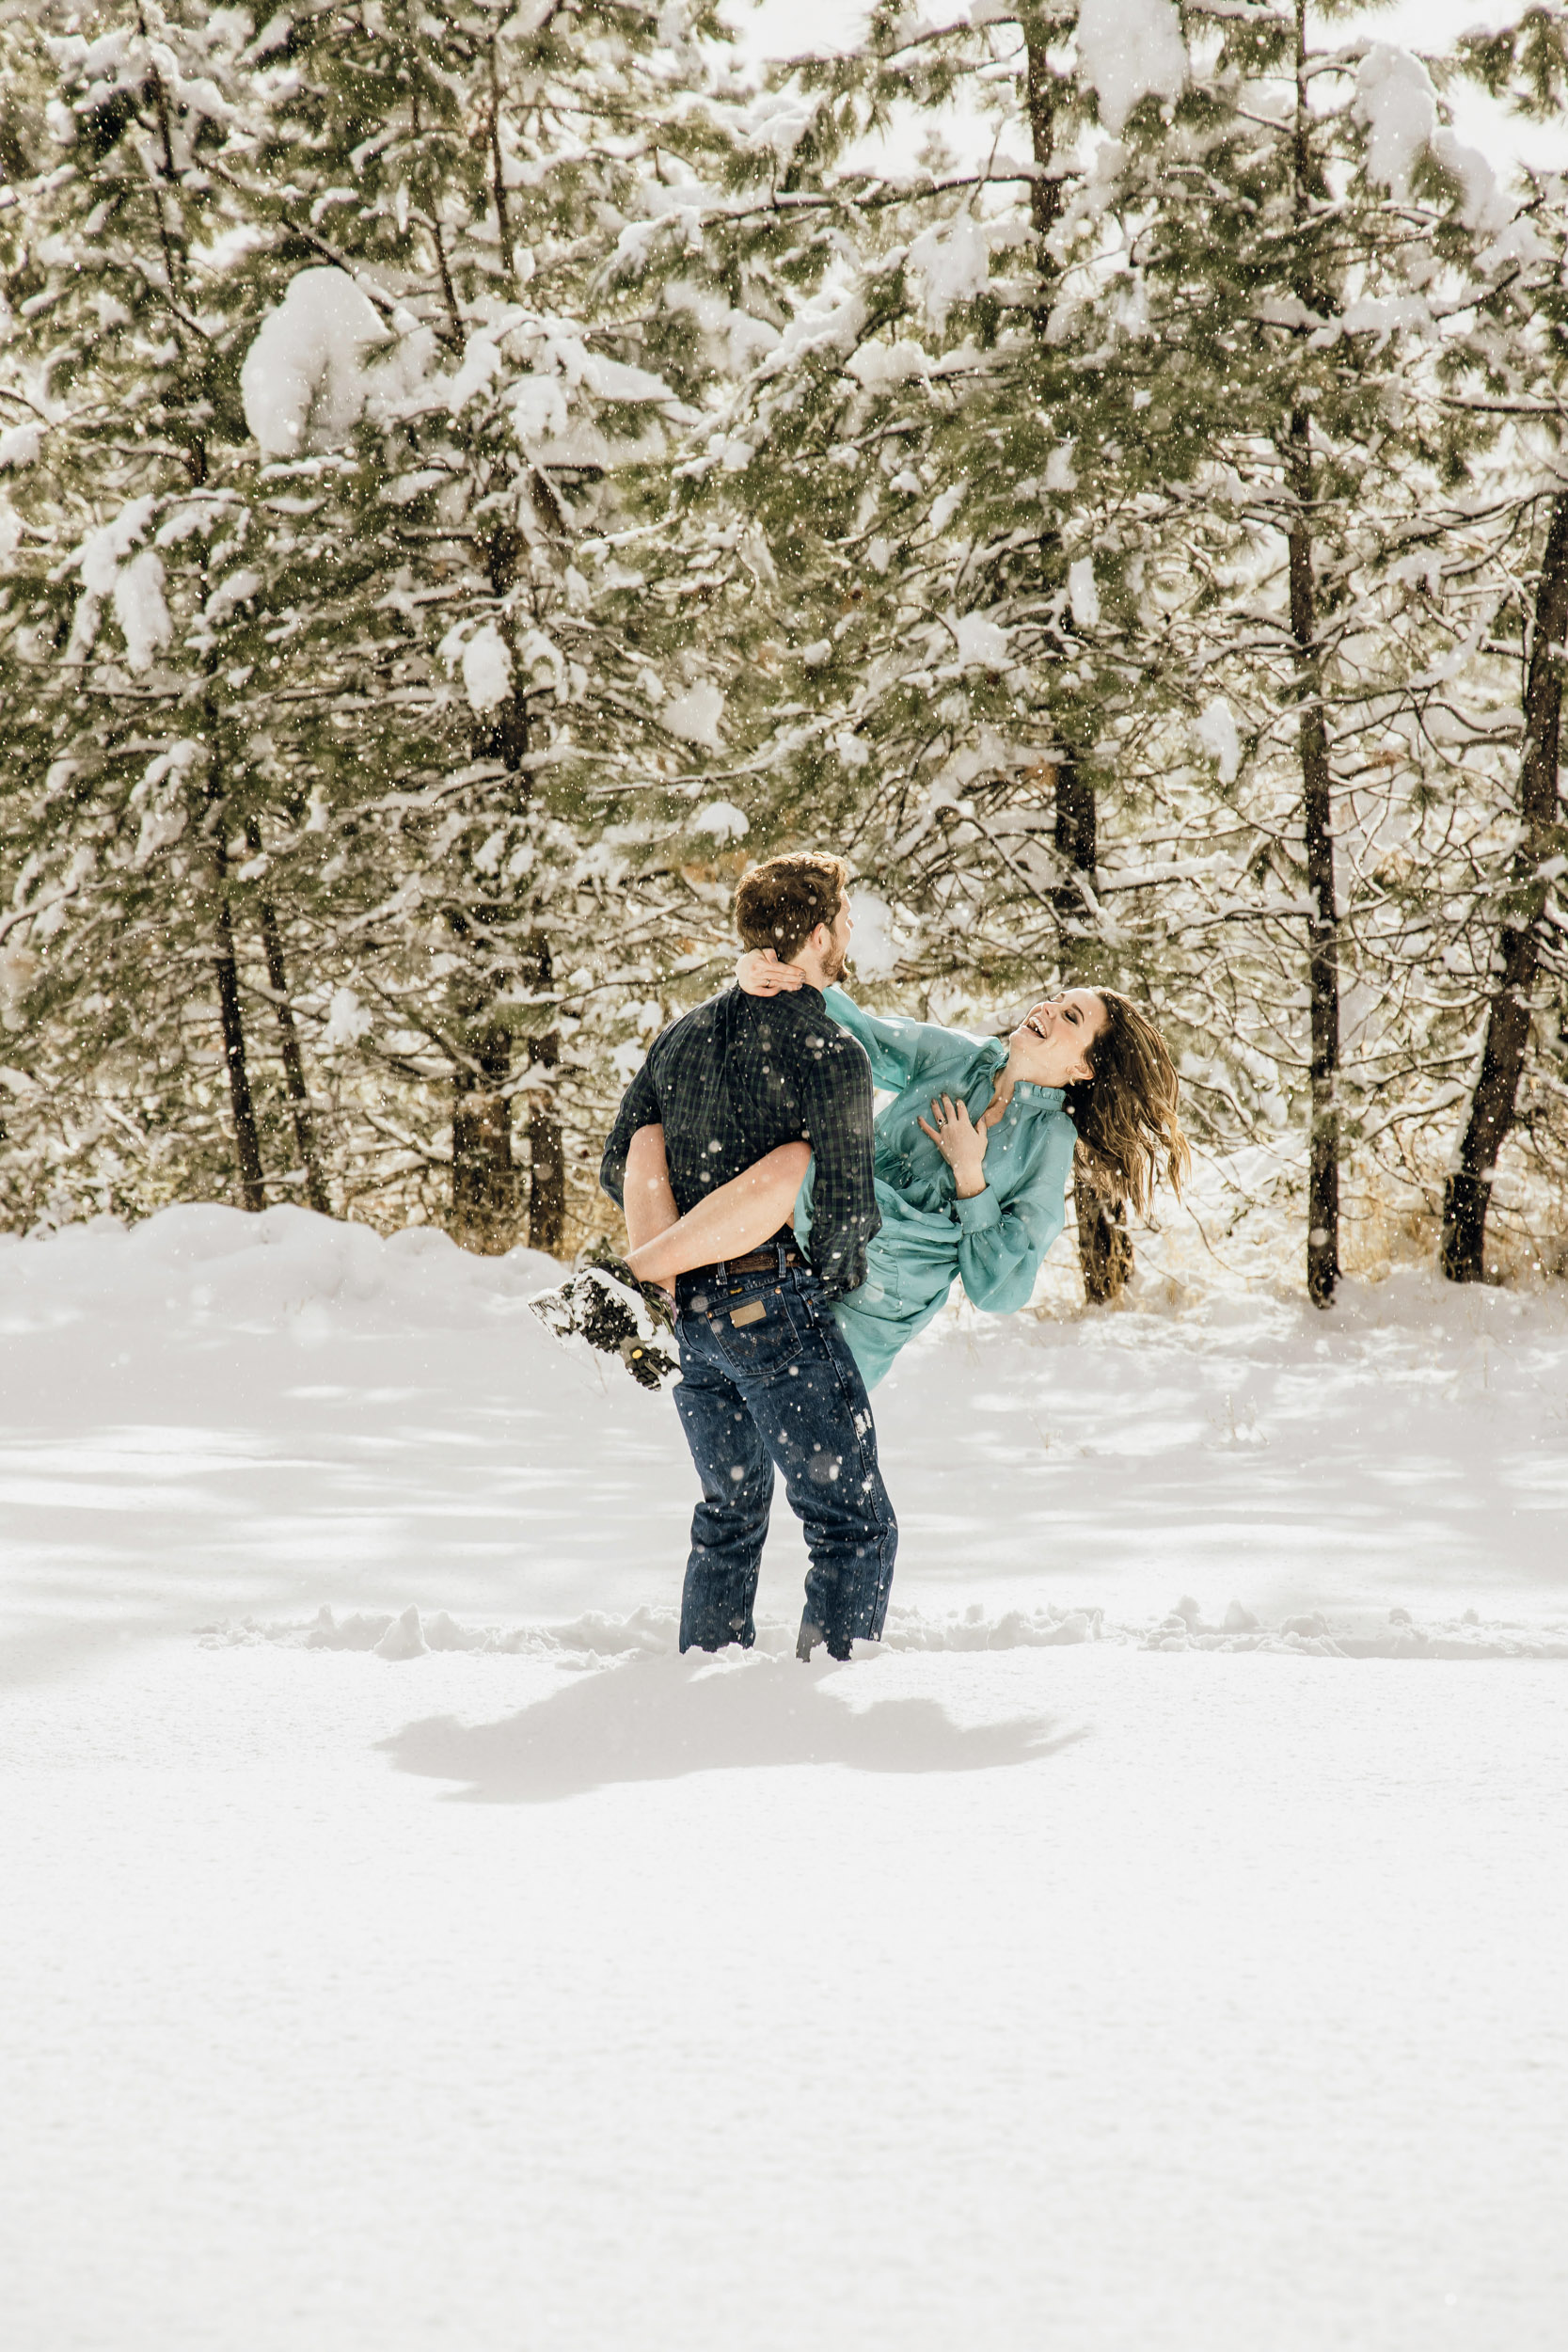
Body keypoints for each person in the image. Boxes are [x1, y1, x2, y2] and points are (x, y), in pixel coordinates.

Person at [626, 951, 1188, 1392]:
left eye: (1071, 1017)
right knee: (652, 1141)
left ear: (1083, 1067)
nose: (1047, 1008)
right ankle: (651, 1296)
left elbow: (999, 1290)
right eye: (1056, 998)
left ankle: (636, 1283)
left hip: (875, 1302)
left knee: (796, 1164)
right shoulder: (961, 1056)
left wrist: (971, 1179)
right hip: (831, 1226)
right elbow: (860, 1034)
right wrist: (774, 973)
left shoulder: (1049, 1142)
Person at [599, 852, 897, 1663]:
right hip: (774, 1305)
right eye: (841, 923)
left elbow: (617, 1162)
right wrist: (824, 1289)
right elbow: (844, 1217)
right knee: (852, 1521)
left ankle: (704, 1682)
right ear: (812, 935)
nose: (847, 937)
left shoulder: (682, 1035)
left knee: (728, 1516)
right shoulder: (830, 1052)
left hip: (689, 1319)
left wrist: (684, 1244)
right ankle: (837, 1693)